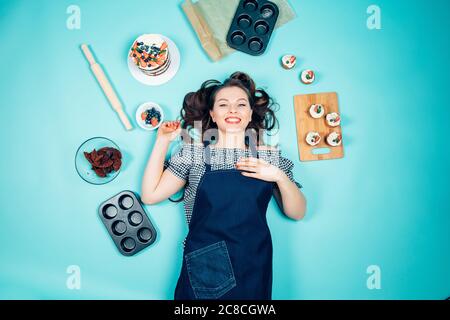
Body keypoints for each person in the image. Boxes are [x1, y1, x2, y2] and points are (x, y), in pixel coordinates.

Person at [141, 71, 306, 300]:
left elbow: (297, 212)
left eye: (240, 105)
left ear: (249, 114)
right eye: (223, 104)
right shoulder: (194, 153)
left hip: (254, 264)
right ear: (213, 115)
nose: (232, 110)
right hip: (206, 265)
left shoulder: (269, 158)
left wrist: (279, 176)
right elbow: (150, 195)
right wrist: (161, 141)